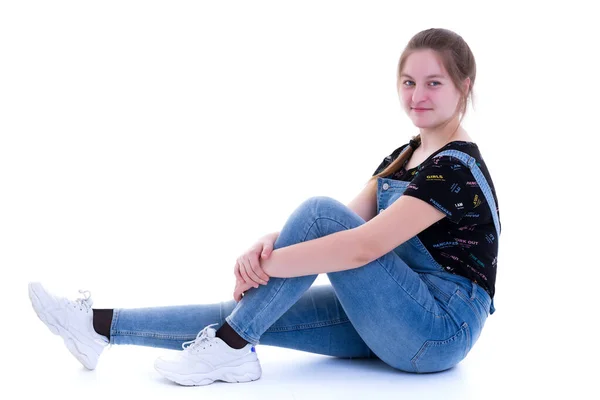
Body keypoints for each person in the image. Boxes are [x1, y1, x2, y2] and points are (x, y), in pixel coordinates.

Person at [28, 27, 500, 386]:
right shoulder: (404, 156)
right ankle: (96, 327)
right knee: (241, 315)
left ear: (464, 85)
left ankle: (232, 347)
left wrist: (267, 266)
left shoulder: (454, 167)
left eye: (434, 83)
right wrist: (266, 246)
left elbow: (359, 246)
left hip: (436, 329)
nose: (417, 96)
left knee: (315, 213)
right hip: (395, 315)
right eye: (408, 81)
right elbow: (347, 225)